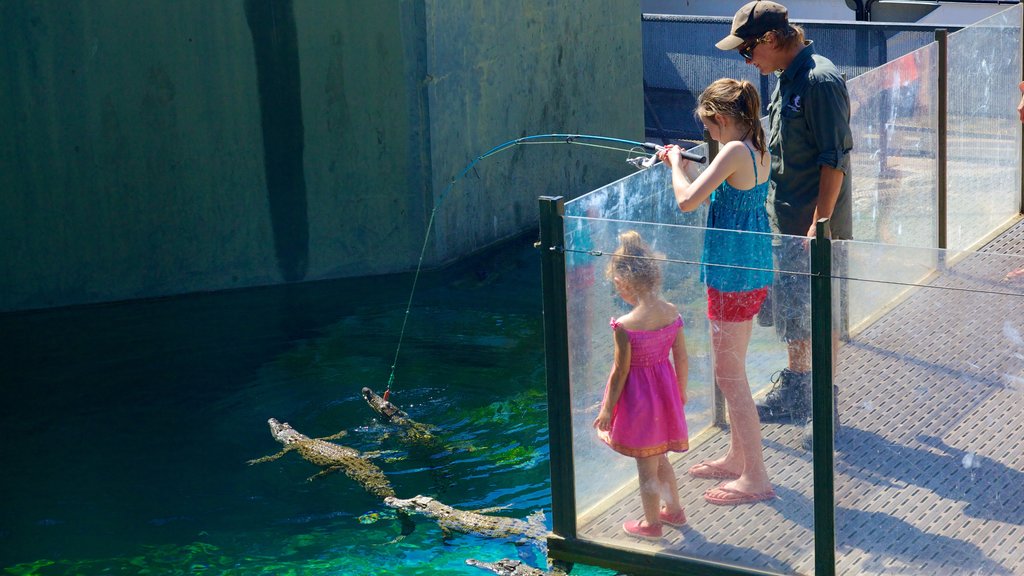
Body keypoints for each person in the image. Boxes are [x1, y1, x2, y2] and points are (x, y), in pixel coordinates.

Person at [717, 0, 853, 450]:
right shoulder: (785, 78)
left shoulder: (819, 80)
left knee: (822, 315)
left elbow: (834, 160)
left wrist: (821, 226)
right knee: (794, 312)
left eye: (748, 50)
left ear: (772, 39)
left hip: (813, 227)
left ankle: (825, 404)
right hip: (784, 220)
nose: (748, 60)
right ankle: (797, 389)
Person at [659, 78, 776, 506]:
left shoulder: (731, 151)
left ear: (722, 118)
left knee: (730, 376)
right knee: (734, 370)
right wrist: (687, 169)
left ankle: (757, 477)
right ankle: (737, 457)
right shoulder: (755, 147)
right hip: (750, 267)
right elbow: (714, 190)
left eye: (708, 124)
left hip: (732, 274)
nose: (707, 133)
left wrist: (673, 165)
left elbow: (688, 201)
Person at [593, 230, 689, 538]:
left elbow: (620, 372)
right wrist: (681, 392)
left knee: (646, 469)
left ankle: (651, 524)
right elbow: (682, 357)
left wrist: (608, 409)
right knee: (660, 458)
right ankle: (674, 511)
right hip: (665, 396)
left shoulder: (625, 326)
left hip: (640, 403)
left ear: (623, 284)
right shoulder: (671, 313)